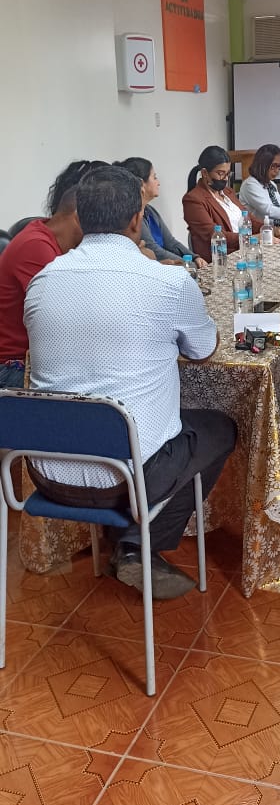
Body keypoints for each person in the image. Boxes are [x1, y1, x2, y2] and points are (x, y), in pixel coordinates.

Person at [24, 165, 237, 599]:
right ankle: (140, 544)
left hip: (48, 471)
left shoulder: (42, 282)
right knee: (220, 429)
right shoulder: (168, 282)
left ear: (80, 217)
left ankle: (129, 542)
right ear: (138, 219)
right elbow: (203, 350)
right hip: (129, 476)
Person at [0, 186, 82, 387]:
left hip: (33, 361)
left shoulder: (50, 241)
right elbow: (66, 320)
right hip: (12, 368)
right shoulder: (36, 246)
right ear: (79, 217)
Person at [183, 146, 280, 262]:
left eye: (228, 174)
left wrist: (270, 229)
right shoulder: (193, 200)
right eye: (220, 173)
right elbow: (213, 235)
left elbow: (249, 220)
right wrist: (250, 238)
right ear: (204, 173)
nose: (225, 179)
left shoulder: (228, 192)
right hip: (221, 259)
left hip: (244, 251)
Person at [115, 156, 207, 269]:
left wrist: (194, 257)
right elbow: (155, 250)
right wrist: (189, 265)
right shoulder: (133, 216)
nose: (158, 183)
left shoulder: (150, 210)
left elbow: (171, 242)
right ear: (141, 184)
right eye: (154, 177)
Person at [239, 144, 280, 224]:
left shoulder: (271, 184)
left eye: (279, 166)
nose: (277, 171)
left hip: (277, 227)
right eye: (273, 166)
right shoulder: (250, 184)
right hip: (260, 229)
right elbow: (268, 210)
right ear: (262, 165)